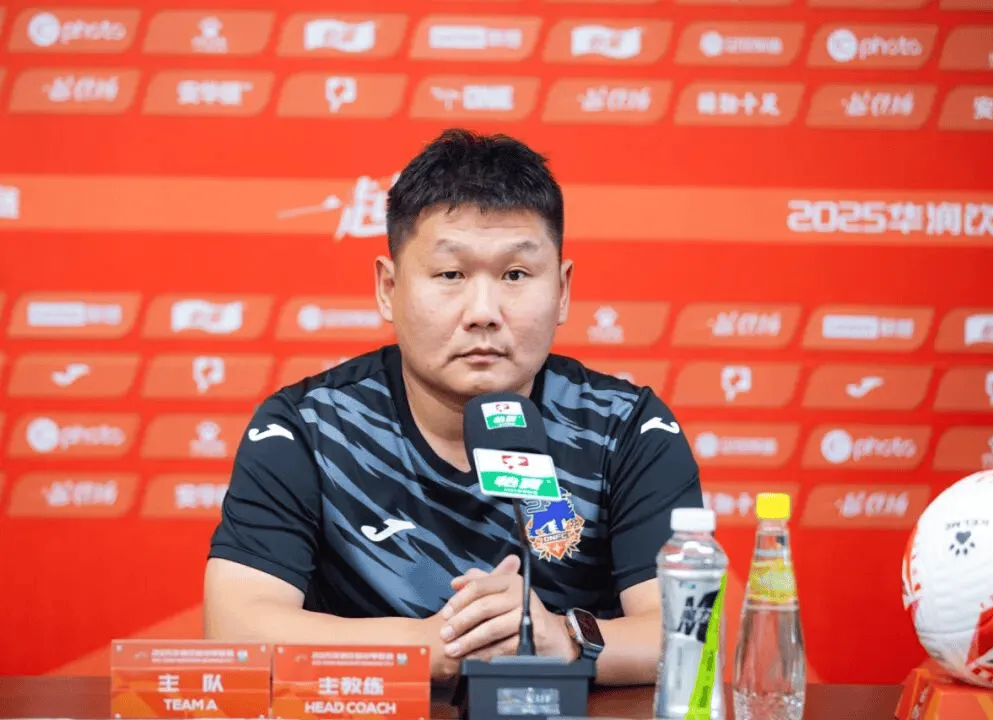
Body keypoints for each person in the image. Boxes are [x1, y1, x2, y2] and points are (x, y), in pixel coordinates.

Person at [203, 128, 703, 686]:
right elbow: (235, 626)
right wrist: (438, 646)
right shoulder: (309, 428)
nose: (483, 312)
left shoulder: (626, 428)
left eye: (515, 275)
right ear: (388, 287)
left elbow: (689, 632)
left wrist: (563, 640)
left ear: (562, 291)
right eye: (450, 275)